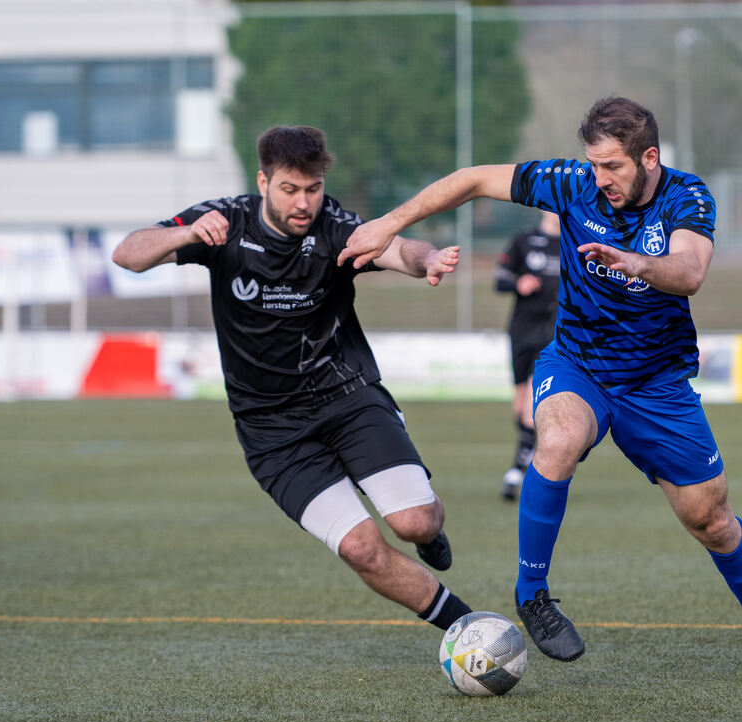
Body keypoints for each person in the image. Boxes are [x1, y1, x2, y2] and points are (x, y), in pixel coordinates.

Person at [339, 97, 742, 676]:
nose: (600, 177)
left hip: (656, 383)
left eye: (612, 166)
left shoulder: (686, 196)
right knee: (558, 440)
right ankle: (533, 594)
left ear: (649, 158)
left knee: (710, 520)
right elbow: (472, 179)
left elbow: (690, 271)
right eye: (593, 164)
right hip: (577, 365)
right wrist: (388, 224)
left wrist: (637, 263)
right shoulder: (570, 183)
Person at [112, 125, 472, 632]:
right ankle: (470, 628)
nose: (303, 202)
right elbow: (127, 253)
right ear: (263, 182)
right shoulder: (224, 222)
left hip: (348, 398)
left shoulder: (334, 226)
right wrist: (186, 234)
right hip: (271, 429)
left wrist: (428, 259)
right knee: (360, 548)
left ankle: (430, 532)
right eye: (289, 189)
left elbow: (397, 250)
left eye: (313, 188)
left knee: (414, 522)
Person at [494, 209, 561, 501]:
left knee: (532, 406)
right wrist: (518, 283)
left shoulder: (576, 242)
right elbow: (499, 280)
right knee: (520, 405)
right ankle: (531, 450)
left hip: (554, 334)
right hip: (521, 331)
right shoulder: (523, 240)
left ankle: (516, 472)